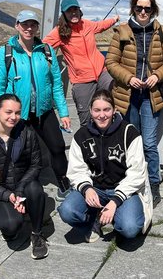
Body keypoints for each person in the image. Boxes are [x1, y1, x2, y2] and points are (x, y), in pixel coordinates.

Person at [105, 0, 163, 207]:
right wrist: (128, 78)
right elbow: (111, 62)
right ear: (133, 9)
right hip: (127, 96)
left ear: (153, 10)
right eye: (139, 8)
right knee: (130, 142)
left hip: (151, 96)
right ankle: (131, 182)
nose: (143, 12)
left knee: (148, 143)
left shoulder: (162, 32)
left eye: (147, 8)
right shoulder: (122, 31)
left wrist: (157, 75)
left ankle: (152, 183)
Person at [0, 9, 72, 200]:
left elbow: (56, 84)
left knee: (58, 147)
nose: (29, 28)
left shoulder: (46, 51)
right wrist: (3, 114)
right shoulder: (6, 53)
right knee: (21, 153)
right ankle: (25, 190)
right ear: (17, 26)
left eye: (33, 24)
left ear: (37, 28)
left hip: (44, 111)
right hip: (18, 114)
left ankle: (63, 183)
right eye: (24, 24)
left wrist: (63, 112)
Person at [57, 89, 152, 242]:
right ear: (90, 111)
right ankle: (93, 219)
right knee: (67, 211)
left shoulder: (129, 133)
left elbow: (137, 172)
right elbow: (76, 170)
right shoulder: (81, 136)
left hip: (124, 189)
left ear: (114, 110)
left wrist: (115, 201)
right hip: (95, 189)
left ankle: (115, 216)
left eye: (106, 109)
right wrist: (86, 189)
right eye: (97, 110)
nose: (102, 115)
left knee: (129, 227)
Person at [0, 94, 49, 259]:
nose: (13, 117)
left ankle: (37, 234)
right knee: (11, 225)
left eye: (17, 112)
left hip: (23, 187)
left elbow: (36, 165)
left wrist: (19, 191)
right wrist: (8, 196)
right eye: (8, 112)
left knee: (35, 189)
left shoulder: (27, 133)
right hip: (1, 193)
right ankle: (12, 220)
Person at [43, 0, 120, 127]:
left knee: (115, 95)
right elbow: (43, 46)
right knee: (86, 119)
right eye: (69, 11)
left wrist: (114, 20)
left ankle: (113, 132)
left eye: (75, 9)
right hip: (82, 79)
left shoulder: (87, 24)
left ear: (80, 11)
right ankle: (89, 138)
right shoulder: (59, 32)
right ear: (64, 14)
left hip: (101, 72)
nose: (73, 13)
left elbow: (101, 25)